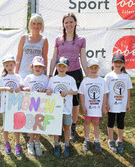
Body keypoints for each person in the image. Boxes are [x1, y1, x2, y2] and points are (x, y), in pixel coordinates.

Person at [49, 12, 88, 140]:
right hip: (60, 73)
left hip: (75, 72)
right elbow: (54, 57)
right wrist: (50, 74)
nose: (69, 24)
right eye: (66, 22)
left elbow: (83, 58)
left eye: (71, 22)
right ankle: (58, 127)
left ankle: (72, 127)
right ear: (63, 25)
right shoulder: (58, 40)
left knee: (74, 102)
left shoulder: (81, 40)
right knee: (57, 99)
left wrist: (88, 75)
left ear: (75, 23)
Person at [46, 57, 78, 157]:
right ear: (56, 67)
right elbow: (49, 90)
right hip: (55, 109)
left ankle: (67, 145)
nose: (61, 68)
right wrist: (48, 91)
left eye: (64, 66)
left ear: (67, 68)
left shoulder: (70, 79)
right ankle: (56, 145)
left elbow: (75, 91)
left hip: (66, 109)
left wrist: (67, 91)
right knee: (56, 127)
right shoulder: (52, 79)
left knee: (67, 127)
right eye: (59, 66)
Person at [0, 55, 23, 156]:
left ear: (15, 65)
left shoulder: (18, 76)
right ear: (4, 66)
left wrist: (20, 89)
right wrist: (6, 88)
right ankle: (7, 143)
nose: (9, 67)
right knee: (6, 126)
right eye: (7, 65)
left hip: (16, 105)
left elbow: (22, 87)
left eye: (11, 65)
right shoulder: (3, 78)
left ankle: (17, 143)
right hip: (6, 105)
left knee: (16, 125)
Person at [78, 59, 108, 152]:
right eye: (91, 68)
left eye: (95, 68)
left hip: (97, 108)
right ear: (87, 69)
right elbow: (81, 94)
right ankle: (86, 140)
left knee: (96, 123)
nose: (93, 70)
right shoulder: (85, 81)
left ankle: (96, 140)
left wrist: (104, 106)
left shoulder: (102, 81)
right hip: (88, 108)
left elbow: (104, 94)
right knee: (86, 122)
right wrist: (83, 106)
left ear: (98, 68)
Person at [105, 54, 133, 154]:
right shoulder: (109, 76)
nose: (118, 64)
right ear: (112, 63)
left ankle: (120, 140)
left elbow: (128, 91)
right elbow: (106, 91)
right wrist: (106, 104)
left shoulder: (126, 76)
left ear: (123, 64)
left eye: (120, 62)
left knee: (121, 121)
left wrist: (128, 103)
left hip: (122, 104)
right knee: (111, 121)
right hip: (112, 104)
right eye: (116, 62)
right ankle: (111, 140)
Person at [22, 56, 49, 156]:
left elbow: (48, 90)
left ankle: (37, 142)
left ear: (43, 68)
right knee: (32, 123)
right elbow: (22, 88)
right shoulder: (29, 77)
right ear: (32, 66)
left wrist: (45, 91)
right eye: (36, 66)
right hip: (31, 105)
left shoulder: (45, 78)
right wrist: (25, 89)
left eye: (40, 66)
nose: (38, 68)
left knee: (39, 123)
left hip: (41, 105)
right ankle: (30, 142)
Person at [16, 13, 49, 80]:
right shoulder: (24, 38)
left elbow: (45, 59)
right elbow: (18, 57)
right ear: (30, 24)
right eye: (34, 23)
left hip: (38, 73)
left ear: (41, 25)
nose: (36, 26)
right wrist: (16, 72)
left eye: (38, 24)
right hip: (23, 72)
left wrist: (45, 75)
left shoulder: (44, 40)